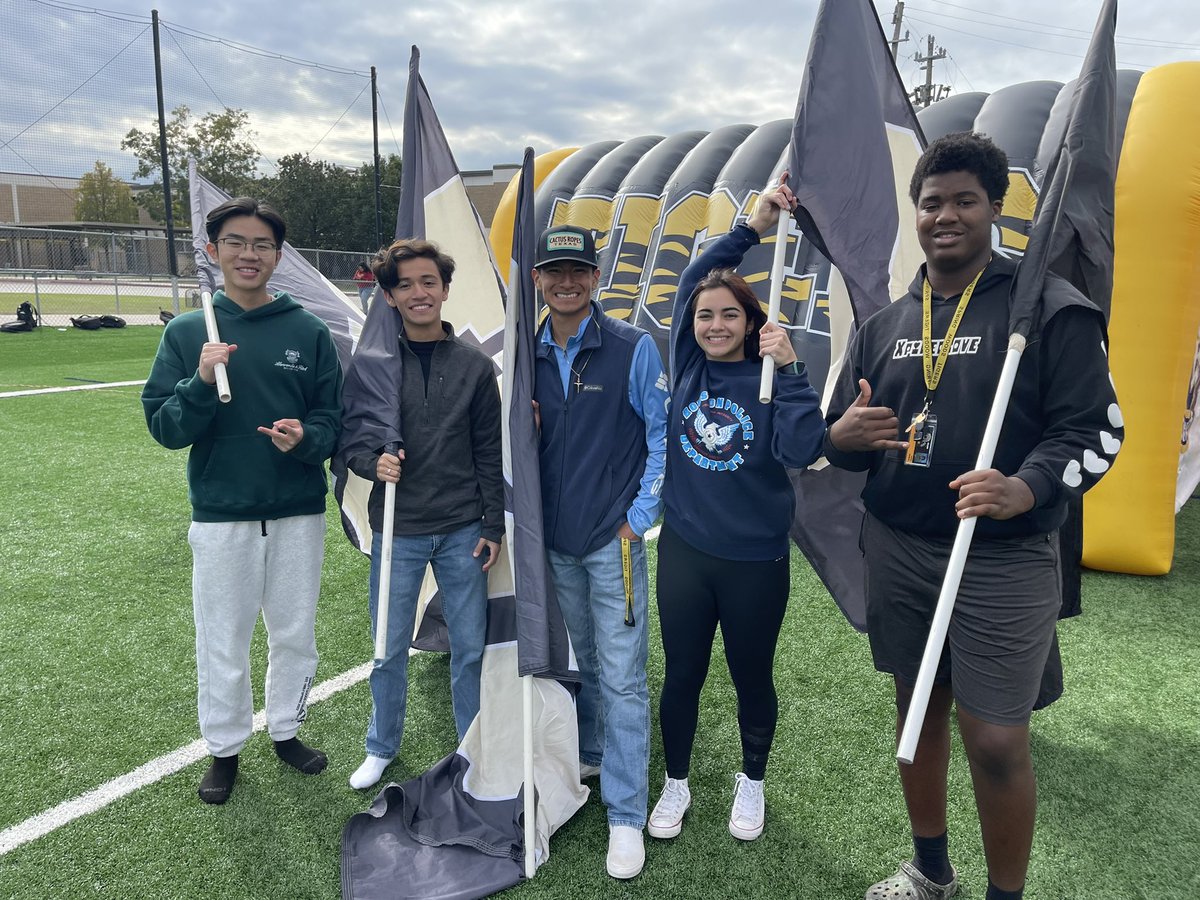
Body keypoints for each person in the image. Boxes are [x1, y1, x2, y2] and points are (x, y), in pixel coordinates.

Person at [823, 132, 1123, 900]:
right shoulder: (886, 322)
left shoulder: (1047, 307)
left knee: (993, 738)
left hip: (1001, 557)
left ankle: (1004, 896)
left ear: (995, 208)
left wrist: (1026, 485)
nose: (945, 216)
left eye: (964, 200)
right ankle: (930, 870)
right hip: (898, 546)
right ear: (915, 213)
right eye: (931, 202)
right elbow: (846, 436)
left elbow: (1100, 431)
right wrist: (841, 439)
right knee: (916, 709)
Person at [142, 197, 343, 805]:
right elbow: (165, 427)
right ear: (213, 251)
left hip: (296, 511)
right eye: (236, 242)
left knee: (294, 632)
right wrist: (199, 382)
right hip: (222, 515)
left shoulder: (306, 330)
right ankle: (224, 748)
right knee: (222, 637)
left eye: (261, 245)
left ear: (278, 255)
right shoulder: (187, 332)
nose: (248, 254)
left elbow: (332, 420)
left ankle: (286, 730)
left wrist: (304, 439)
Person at [647, 178, 825, 844]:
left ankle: (752, 781)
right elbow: (699, 272)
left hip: (755, 560)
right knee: (683, 675)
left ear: (751, 322)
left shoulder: (772, 376)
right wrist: (755, 225)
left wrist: (795, 368)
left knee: (752, 675)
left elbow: (804, 449)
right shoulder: (689, 361)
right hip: (686, 554)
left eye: (730, 315)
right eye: (706, 316)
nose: (716, 325)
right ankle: (677, 783)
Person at [531, 224, 669, 879]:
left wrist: (639, 518)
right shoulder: (523, 355)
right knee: (582, 662)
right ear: (537, 279)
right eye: (554, 270)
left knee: (623, 679)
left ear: (595, 278)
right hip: (554, 545)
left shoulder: (631, 347)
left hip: (612, 546)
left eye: (577, 271)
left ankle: (624, 814)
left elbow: (663, 436)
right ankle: (590, 752)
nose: (566, 282)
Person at [343, 239, 503, 791]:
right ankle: (381, 746)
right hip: (399, 529)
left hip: (462, 529)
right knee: (388, 647)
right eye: (405, 285)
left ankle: (471, 747)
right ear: (388, 296)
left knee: (469, 648)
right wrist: (372, 463)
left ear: (444, 289)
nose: (419, 293)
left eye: (428, 282)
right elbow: (351, 443)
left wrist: (492, 524)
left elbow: (489, 451)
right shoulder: (373, 366)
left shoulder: (476, 367)